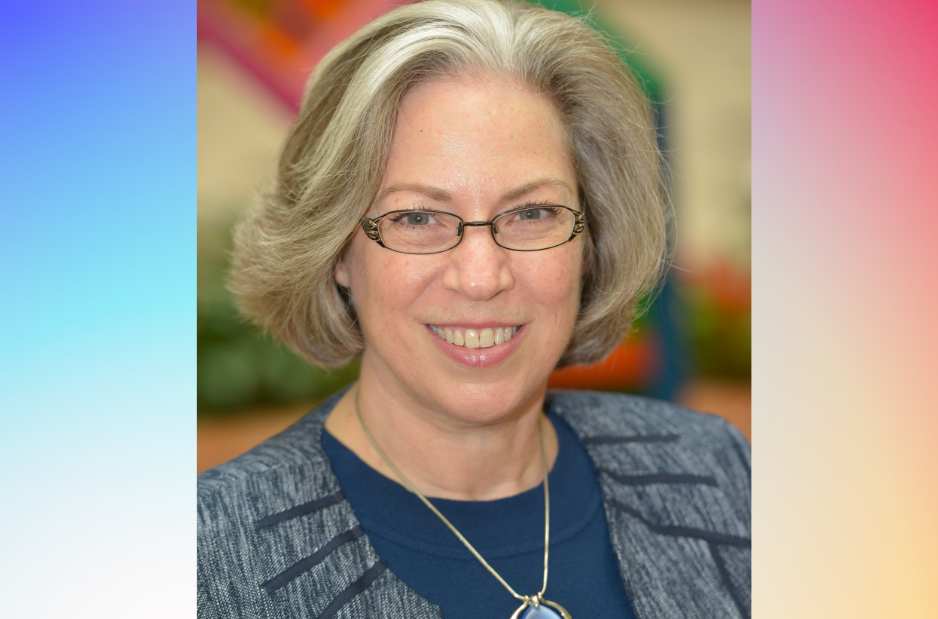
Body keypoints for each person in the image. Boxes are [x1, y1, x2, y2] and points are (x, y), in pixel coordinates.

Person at [197, 0, 751, 617]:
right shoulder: (203, 562)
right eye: (417, 218)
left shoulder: (719, 474)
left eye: (533, 212)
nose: (482, 277)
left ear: (592, 241)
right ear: (337, 253)